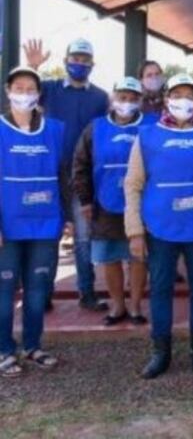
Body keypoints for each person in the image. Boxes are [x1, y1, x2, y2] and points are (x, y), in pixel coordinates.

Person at [124, 74, 193, 379]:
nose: (184, 100)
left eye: (189, 95)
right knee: (160, 290)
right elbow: (132, 185)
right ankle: (161, 352)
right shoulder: (146, 135)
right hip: (160, 228)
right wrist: (134, 230)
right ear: (167, 98)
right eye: (178, 94)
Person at [23, 38, 110, 312]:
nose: (79, 63)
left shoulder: (100, 97)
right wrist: (33, 67)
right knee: (49, 236)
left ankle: (87, 293)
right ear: (65, 60)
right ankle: (42, 294)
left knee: (84, 239)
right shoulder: (48, 89)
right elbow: (23, 98)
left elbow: (103, 134)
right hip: (50, 174)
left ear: (92, 64)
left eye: (85, 59)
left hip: (84, 176)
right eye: (75, 58)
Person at [0, 67, 68, 377]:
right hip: (8, 227)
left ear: (39, 94)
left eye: (31, 88)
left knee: (38, 290)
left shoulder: (54, 130)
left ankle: (32, 346)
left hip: (44, 225)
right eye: (19, 87)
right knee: (4, 291)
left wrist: (65, 218)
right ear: (7, 90)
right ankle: (4, 349)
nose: (24, 92)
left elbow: (63, 175)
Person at [71, 77, 153, 327]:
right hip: (104, 203)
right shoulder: (95, 127)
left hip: (143, 203)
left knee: (138, 257)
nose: (126, 102)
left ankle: (136, 306)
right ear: (113, 98)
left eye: (132, 98)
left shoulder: (151, 126)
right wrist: (85, 200)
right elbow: (80, 164)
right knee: (109, 257)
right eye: (122, 97)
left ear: (140, 101)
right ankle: (118, 306)